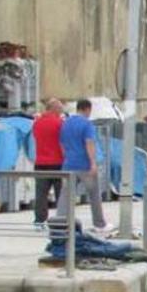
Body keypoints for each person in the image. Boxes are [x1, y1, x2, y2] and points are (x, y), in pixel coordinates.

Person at [55, 99, 113, 237]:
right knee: (94, 194)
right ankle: (99, 224)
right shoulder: (87, 124)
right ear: (87, 109)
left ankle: (60, 222)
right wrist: (93, 162)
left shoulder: (66, 123)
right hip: (84, 165)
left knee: (66, 194)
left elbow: (61, 144)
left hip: (69, 164)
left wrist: (67, 157)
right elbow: (89, 143)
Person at [31, 98, 64, 229]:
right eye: (60, 109)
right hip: (57, 163)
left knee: (41, 195)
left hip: (40, 163)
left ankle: (39, 221)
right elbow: (62, 143)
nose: (61, 112)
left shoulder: (37, 123)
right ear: (54, 108)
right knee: (60, 194)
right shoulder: (60, 123)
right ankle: (61, 219)